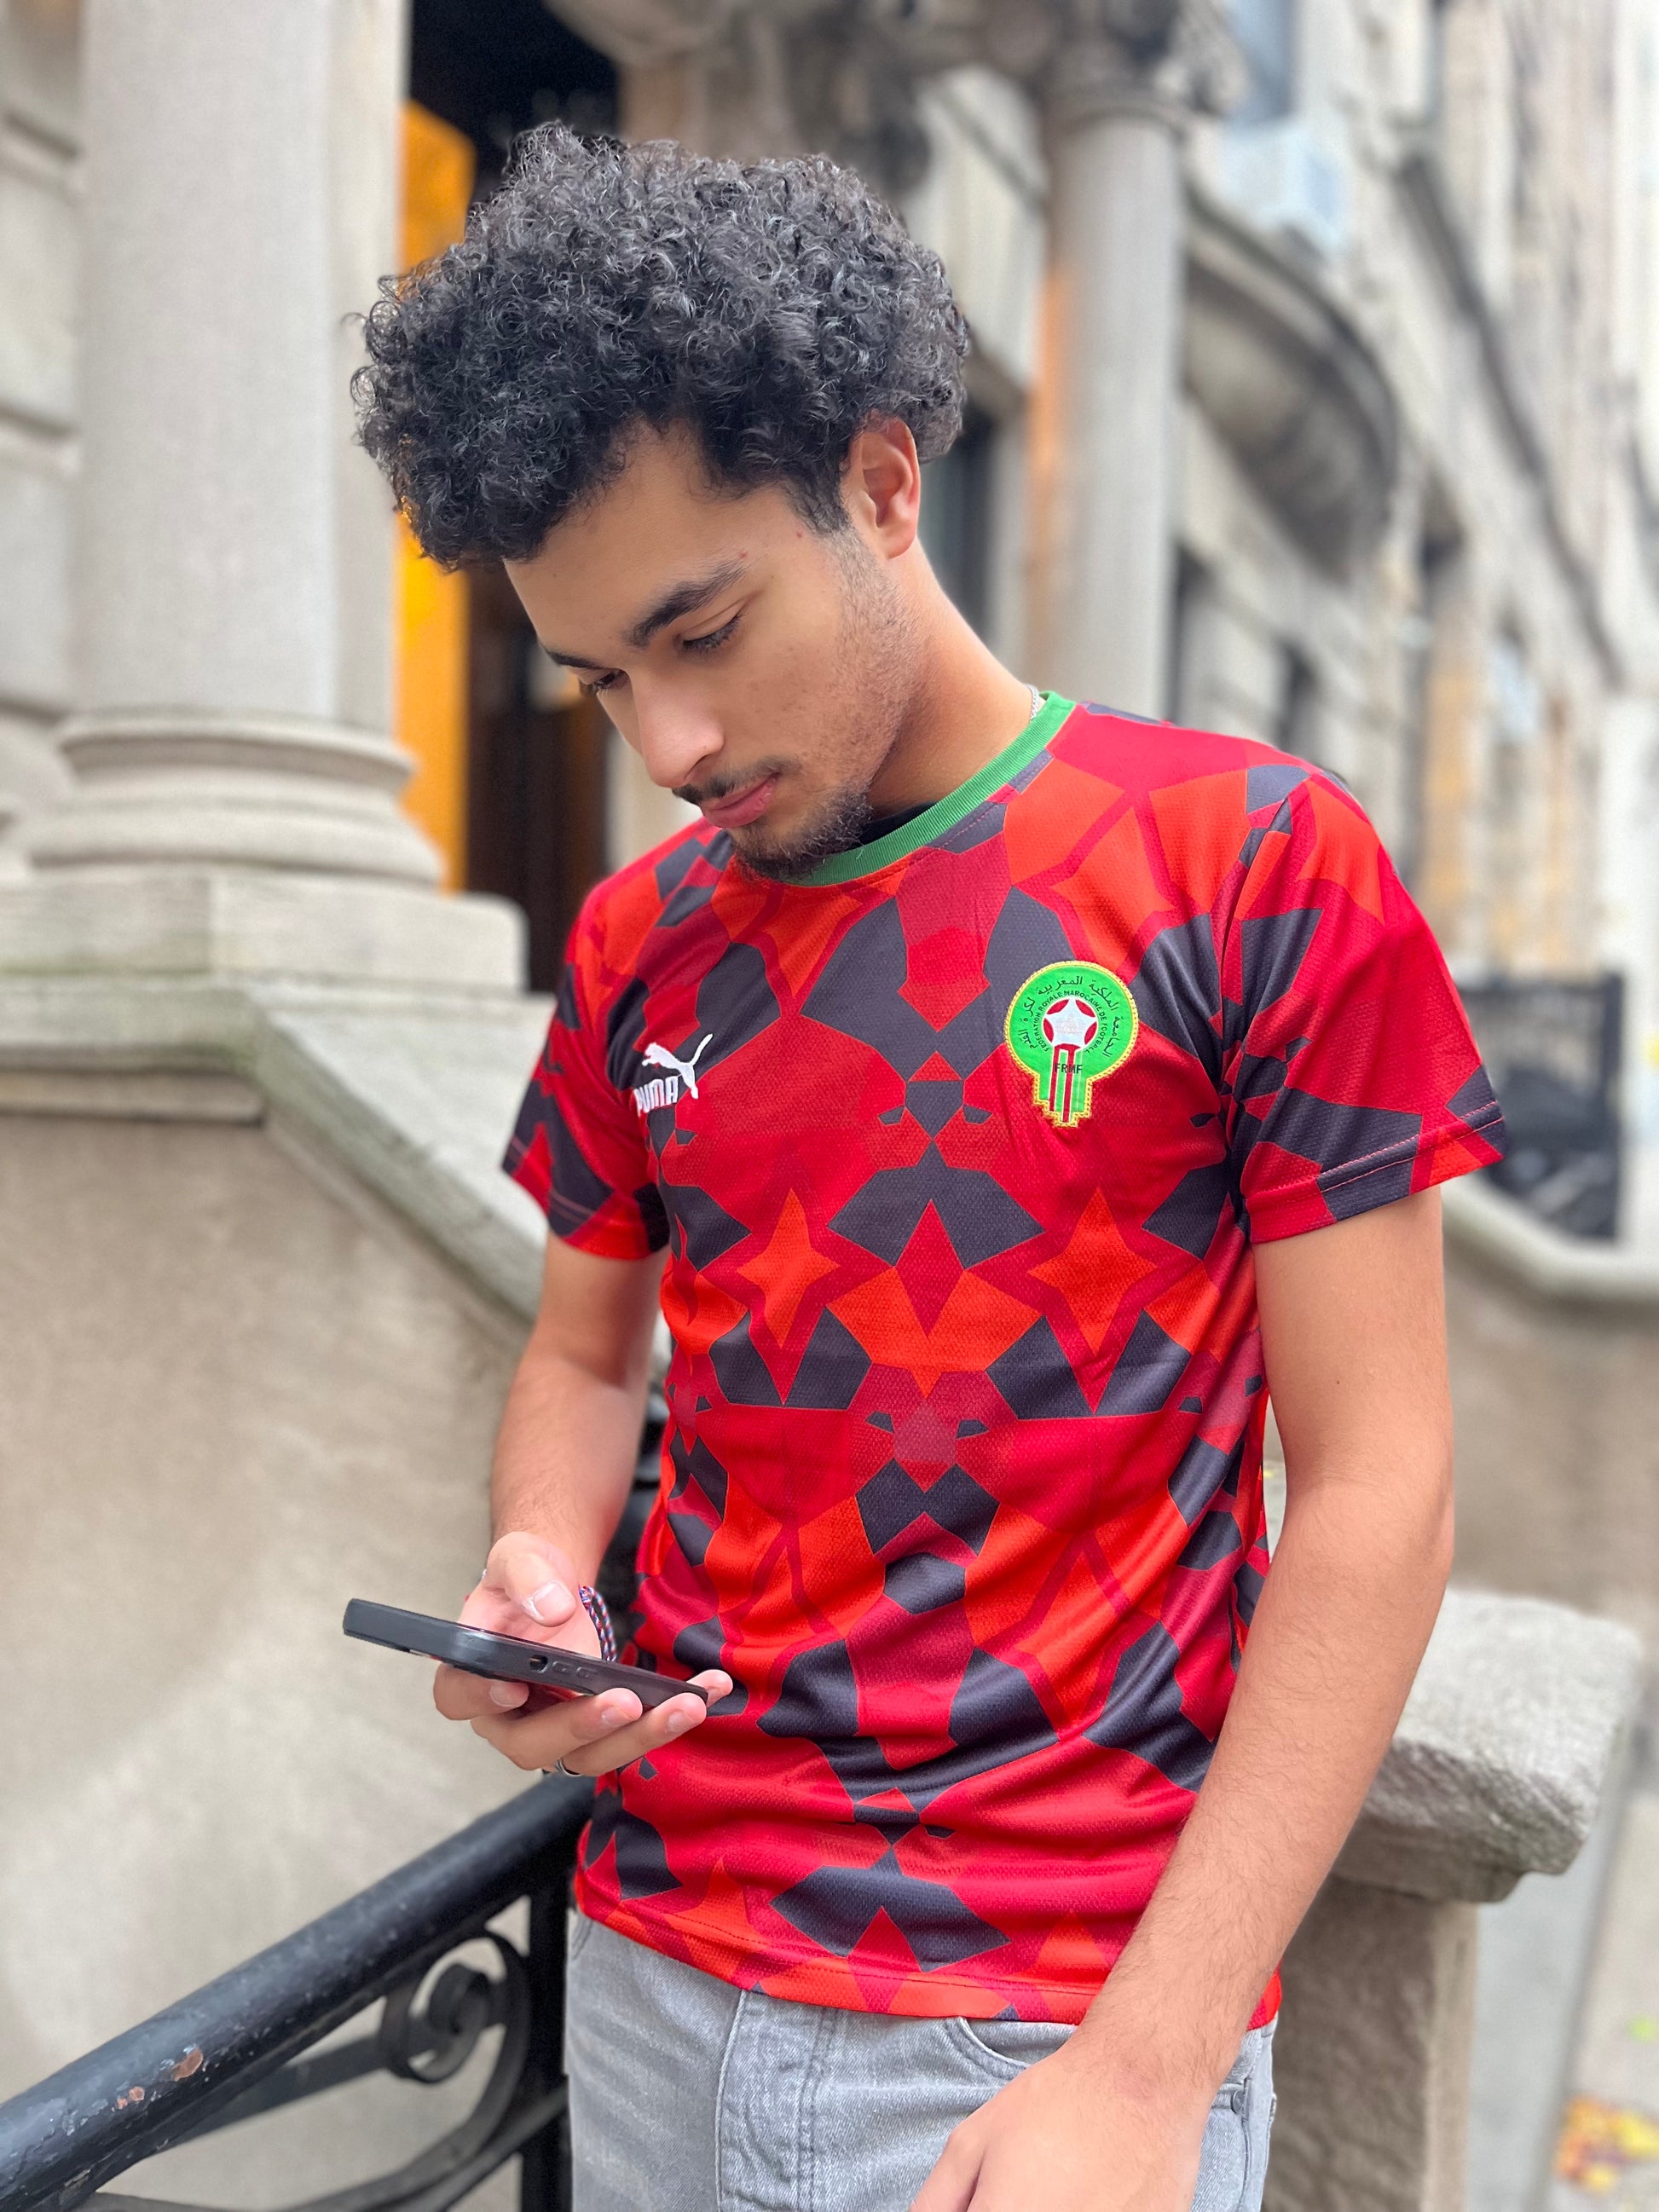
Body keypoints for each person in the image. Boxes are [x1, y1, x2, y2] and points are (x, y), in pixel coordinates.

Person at [355, 126, 1506, 2212]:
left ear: (884, 483)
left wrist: (1148, 2069)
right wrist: (539, 1564)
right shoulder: (635, 940)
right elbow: (591, 1353)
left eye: (705, 628)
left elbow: (1381, 1491)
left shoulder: (1250, 863)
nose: (670, 743)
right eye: (604, 679)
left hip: (1042, 2038)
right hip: (645, 1967)